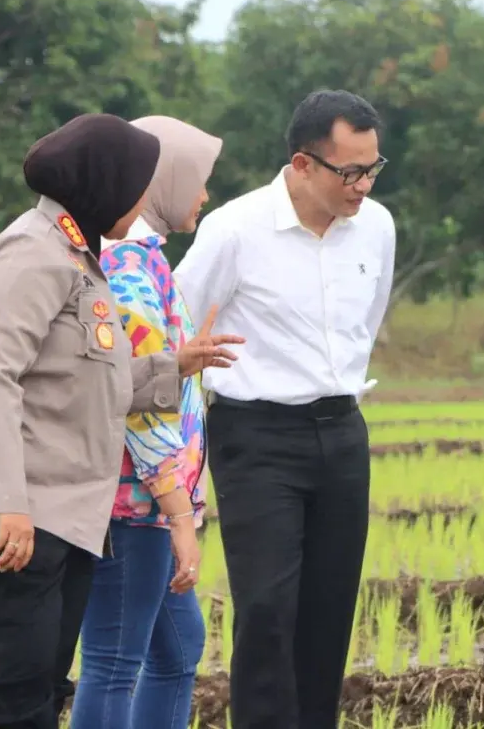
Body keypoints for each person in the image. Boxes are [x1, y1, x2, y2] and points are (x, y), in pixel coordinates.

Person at [0, 113, 243, 729]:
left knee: (42, 684)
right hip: (9, 507)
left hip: (58, 508)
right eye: (137, 184)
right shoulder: (32, 252)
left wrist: (174, 366)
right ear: (105, 182)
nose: (145, 199)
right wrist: (6, 503)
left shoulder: (79, 255)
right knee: (16, 688)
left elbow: (90, 381)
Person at [173, 89, 395, 729]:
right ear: (303, 165)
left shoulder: (376, 226)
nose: (363, 185)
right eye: (350, 171)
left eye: (373, 168)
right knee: (268, 610)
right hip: (257, 436)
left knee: (329, 613)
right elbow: (179, 329)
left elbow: (366, 323)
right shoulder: (235, 229)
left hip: (343, 432)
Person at [70, 116, 224, 729]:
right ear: (160, 179)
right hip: (133, 502)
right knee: (113, 661)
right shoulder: (130, 269)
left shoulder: (147, 261)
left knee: (178, 648)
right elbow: (137, 400)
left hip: (149, 500)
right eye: (200, 180)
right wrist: (177, 512)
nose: (205, 195)